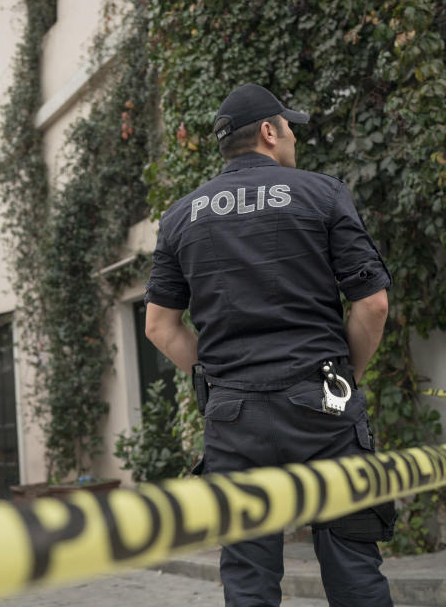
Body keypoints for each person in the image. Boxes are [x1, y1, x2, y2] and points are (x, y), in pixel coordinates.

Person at [144, 83, 394, 607]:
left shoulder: (179, 217)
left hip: (235, 420)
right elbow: (371, 305)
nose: (293, 139)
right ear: (268, 131)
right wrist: (347, 376)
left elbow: (160, 327)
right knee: (353, 567)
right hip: (323, 404)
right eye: (290, 128)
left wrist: (221, 378)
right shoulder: (322, 193)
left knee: (249, 579)